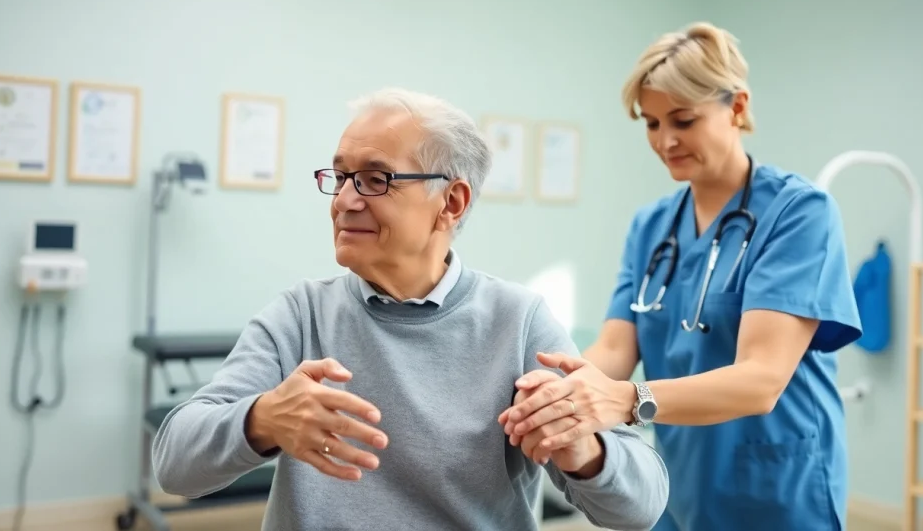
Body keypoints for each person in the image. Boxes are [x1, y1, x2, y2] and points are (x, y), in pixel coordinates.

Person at [151, 87, 669, 531]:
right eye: (340, 176)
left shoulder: (519, 322)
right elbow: (174, 464)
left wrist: (585, 453)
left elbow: (642, 505)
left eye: (376, 179)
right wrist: (262, 419)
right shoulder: (301, 315)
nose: (345, 200)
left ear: (452, 202)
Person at [500, 22, 863, 530]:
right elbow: (614, 350)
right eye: (650, 123)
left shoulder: (799, 213)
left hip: (775, 485)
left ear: (737, 107)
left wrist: (628, 400)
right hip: (678, 481)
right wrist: (553, 390)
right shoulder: (652, 226)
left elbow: (761, 379)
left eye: (683, 120)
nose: (665, 141)